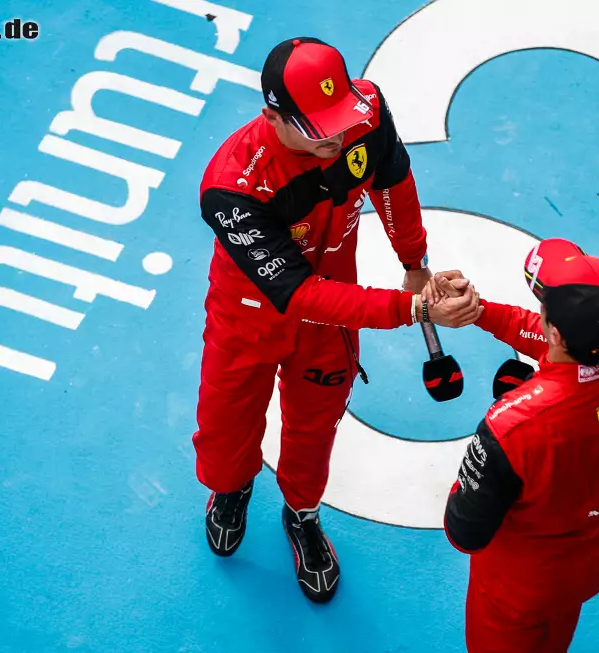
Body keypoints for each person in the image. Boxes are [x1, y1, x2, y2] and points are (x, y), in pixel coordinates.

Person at [193, 36, 482, 604]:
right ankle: (230, 490)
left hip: (331, 320)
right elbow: (301, 295)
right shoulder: (231, 188)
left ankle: (302, 515)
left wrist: (414, 263)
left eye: (338, 118)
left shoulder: (365, 115)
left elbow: (393, 183)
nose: (334, 137)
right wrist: (415, 309)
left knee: (315, 426)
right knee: (226, 428)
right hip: (250, 317)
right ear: (272, 115)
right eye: (314, 127)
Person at [424, 238, 599, 652]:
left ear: (554, 330)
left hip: (519, 588)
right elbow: (578, 358)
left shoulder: (512, 426)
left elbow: (463, 531)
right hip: (598, 555)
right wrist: (480, 312)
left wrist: (516, 410)